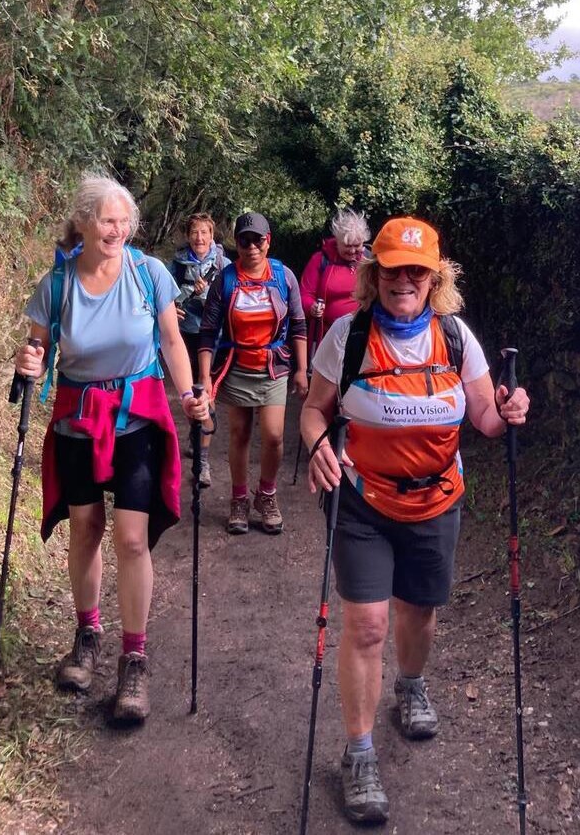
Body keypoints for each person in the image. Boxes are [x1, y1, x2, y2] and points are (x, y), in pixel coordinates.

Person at [300, 216, 530, 823]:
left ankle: (410, 683)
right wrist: (319, 444)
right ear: (374, 274)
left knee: (419, 612)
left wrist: (508, 410)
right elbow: (314, 410)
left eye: (417, 271)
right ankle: (359, 751)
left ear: (434, 277)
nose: (404, 280)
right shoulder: (347, 336)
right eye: (393, 269)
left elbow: (484, 415)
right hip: (363, 499)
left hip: (435, 500)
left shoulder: (456, 338)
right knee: (369, 624)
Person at [14, 172, 209, 724]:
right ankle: (87, 633)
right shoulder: (57, 284)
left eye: (124, 221)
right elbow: (34, 348)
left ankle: (134, 659)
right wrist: (26, 363)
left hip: (138, 418)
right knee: (84, 529)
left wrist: (191, 394)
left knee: (130, 537)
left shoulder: (148, 275)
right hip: (78, 418)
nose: (117, 229)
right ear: (82, 222)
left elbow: (171, 340)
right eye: (107, 220)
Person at [198, 212, 308, 535]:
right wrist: (205, 377)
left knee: (274, 436)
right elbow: (208, 332)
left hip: (273, 367)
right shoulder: (226, 279)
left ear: (268, 240)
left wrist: (301, 369)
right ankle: (239, 498)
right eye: (244, 241)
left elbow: (298, 324)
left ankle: (267, 495)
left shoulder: (284, 277)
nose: (251, 247)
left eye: (256, 240)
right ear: (237, 244)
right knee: (240, 434)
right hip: (237, 366)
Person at [168, 212, 231, 487]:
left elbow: (230, 302)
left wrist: (209, 297)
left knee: (207, 392)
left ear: (212, 235)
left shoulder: (224, 266)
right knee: (191, 390)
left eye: (204, 232)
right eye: (194, 232)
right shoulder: (178, 264)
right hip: (185, 335)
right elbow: (165, 298)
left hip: (214, 338)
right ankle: (196, 435)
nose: (199, 238)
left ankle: (202, 461)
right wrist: (173, 310)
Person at [300, 209, 370, 357]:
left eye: (357, 245)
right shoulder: (320, 260)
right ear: (337, 242)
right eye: (347, 246)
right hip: (327, 336)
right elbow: (305, 294)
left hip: (363, 336)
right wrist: (311, 307)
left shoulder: (369, 261)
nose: (352, 251)